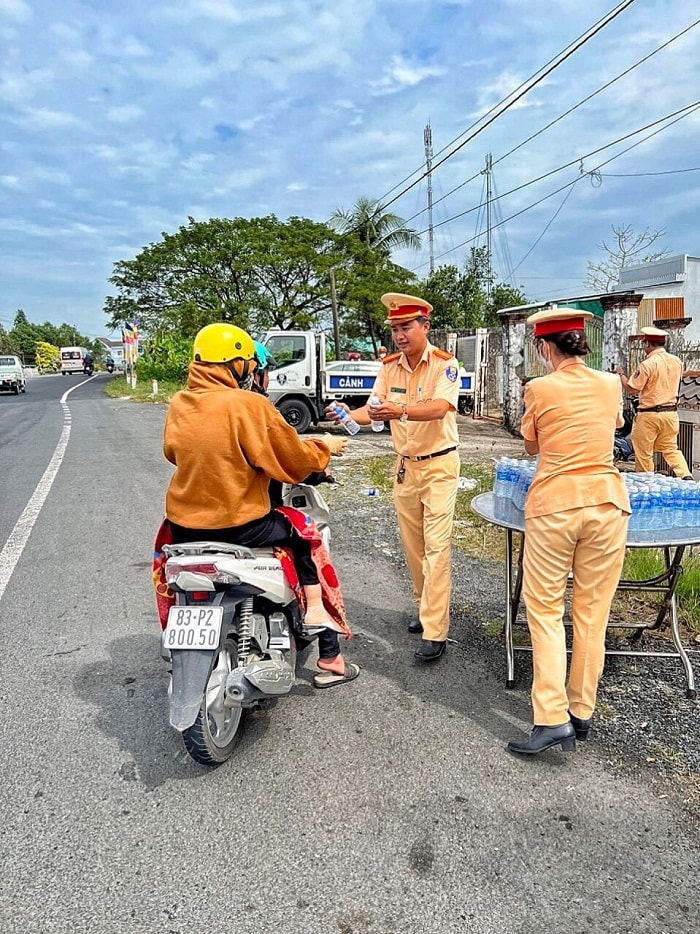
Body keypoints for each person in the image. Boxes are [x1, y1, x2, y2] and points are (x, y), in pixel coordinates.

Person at [162, 322, 359, 688]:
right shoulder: (248, 405)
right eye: (249, 366)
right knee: (305, 536)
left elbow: (175, 453)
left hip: (182, 526)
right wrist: (325, 449)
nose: (253, 373)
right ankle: (323, 634)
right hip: (240, 525)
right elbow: (293, 460)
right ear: (236, 364)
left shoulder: (179, 403)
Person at [507, 307, 631, 756]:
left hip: (555, 505)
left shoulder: (539, 388)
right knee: (592, 614)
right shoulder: (611, 383)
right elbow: (616, 426)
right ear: (582, 343)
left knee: (543, 611)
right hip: (608, 504)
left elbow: (531, 443)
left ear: (544, 347)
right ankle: (582, 711)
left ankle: (551, 717)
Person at [327, 293, 461, 663]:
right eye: (395, 329)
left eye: (406, 327)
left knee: (436, 548)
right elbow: (375, 410)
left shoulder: (444, 366)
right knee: (413, 548)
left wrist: (399, 410)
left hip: (439, 466)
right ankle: (425, 609)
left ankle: (436, 630)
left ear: (425, 327)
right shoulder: (389, 367)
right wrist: (346, 415)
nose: (400, 335)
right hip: (405, 467)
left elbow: (439, 409)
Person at [616, 326, 693, 480]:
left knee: (644, 452)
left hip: (649, 415)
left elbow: (632, 389)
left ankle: (647, 482)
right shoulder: (676, 361)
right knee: (670, 448)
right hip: (671, 414)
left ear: (648, 344)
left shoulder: (648, 364)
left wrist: (621, 375)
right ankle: (686, 477)